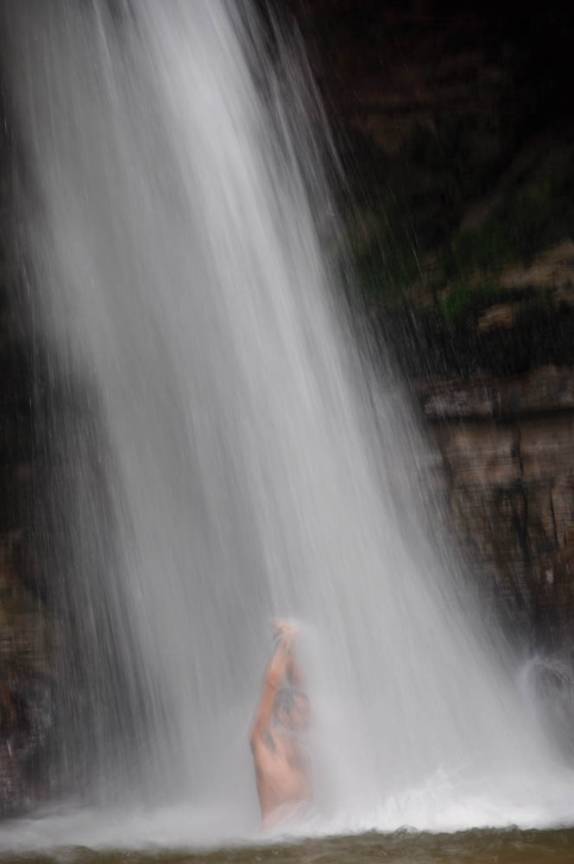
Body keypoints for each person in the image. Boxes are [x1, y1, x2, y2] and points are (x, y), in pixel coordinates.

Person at [250, 620, 312, 828]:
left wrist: (292, 649)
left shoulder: (303, 744)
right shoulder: (264, 743)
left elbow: (300, 686)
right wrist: (284, 644)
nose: (308, 716)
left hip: (307, 838)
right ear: (283, 715)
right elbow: (271, 684)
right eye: (302, 712)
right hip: (275, 843)